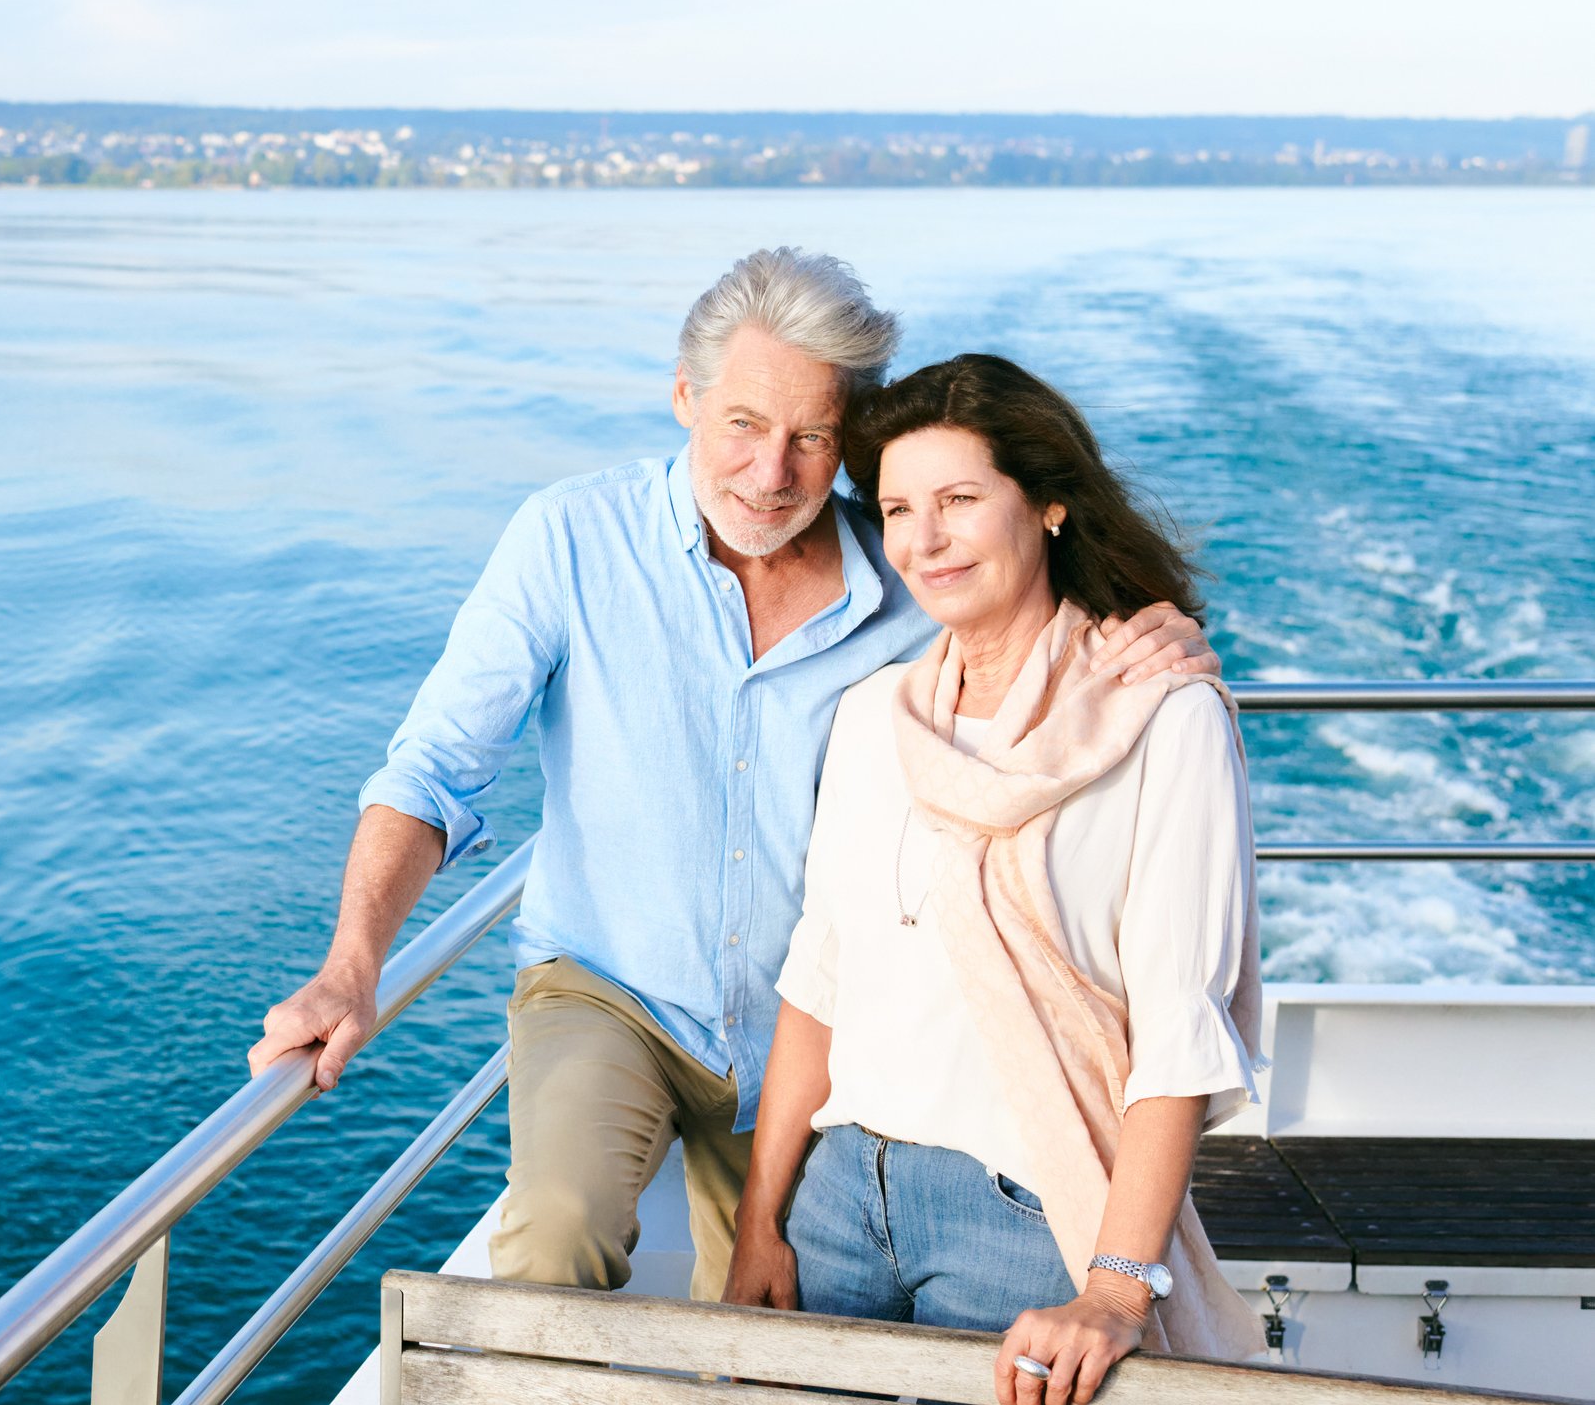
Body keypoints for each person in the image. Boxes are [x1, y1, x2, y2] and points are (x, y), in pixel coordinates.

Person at [247, 253, 1218, 1305]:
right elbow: (434, 767)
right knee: (554, 1237)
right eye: (743, 424)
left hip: (814, 1025)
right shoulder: (569, 537)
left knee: (761, 1323)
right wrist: (352, 966)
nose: (771, 473)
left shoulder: (910, 569)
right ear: (685, 396)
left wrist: (1150, 626)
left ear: (848, 440)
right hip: (612, 986)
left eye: (812, 438)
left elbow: (1027, 611)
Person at [721, 352, 1268, 1405]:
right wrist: (759, 1224)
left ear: (1050, 502)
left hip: (1020, 1215)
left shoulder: (1164, 719)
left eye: (961, 500)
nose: (924, 539)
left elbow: (1178, 1028)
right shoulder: (875, 719)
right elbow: (819, 980)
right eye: (897, 510)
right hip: (837, 1200)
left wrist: (1114, 1291)